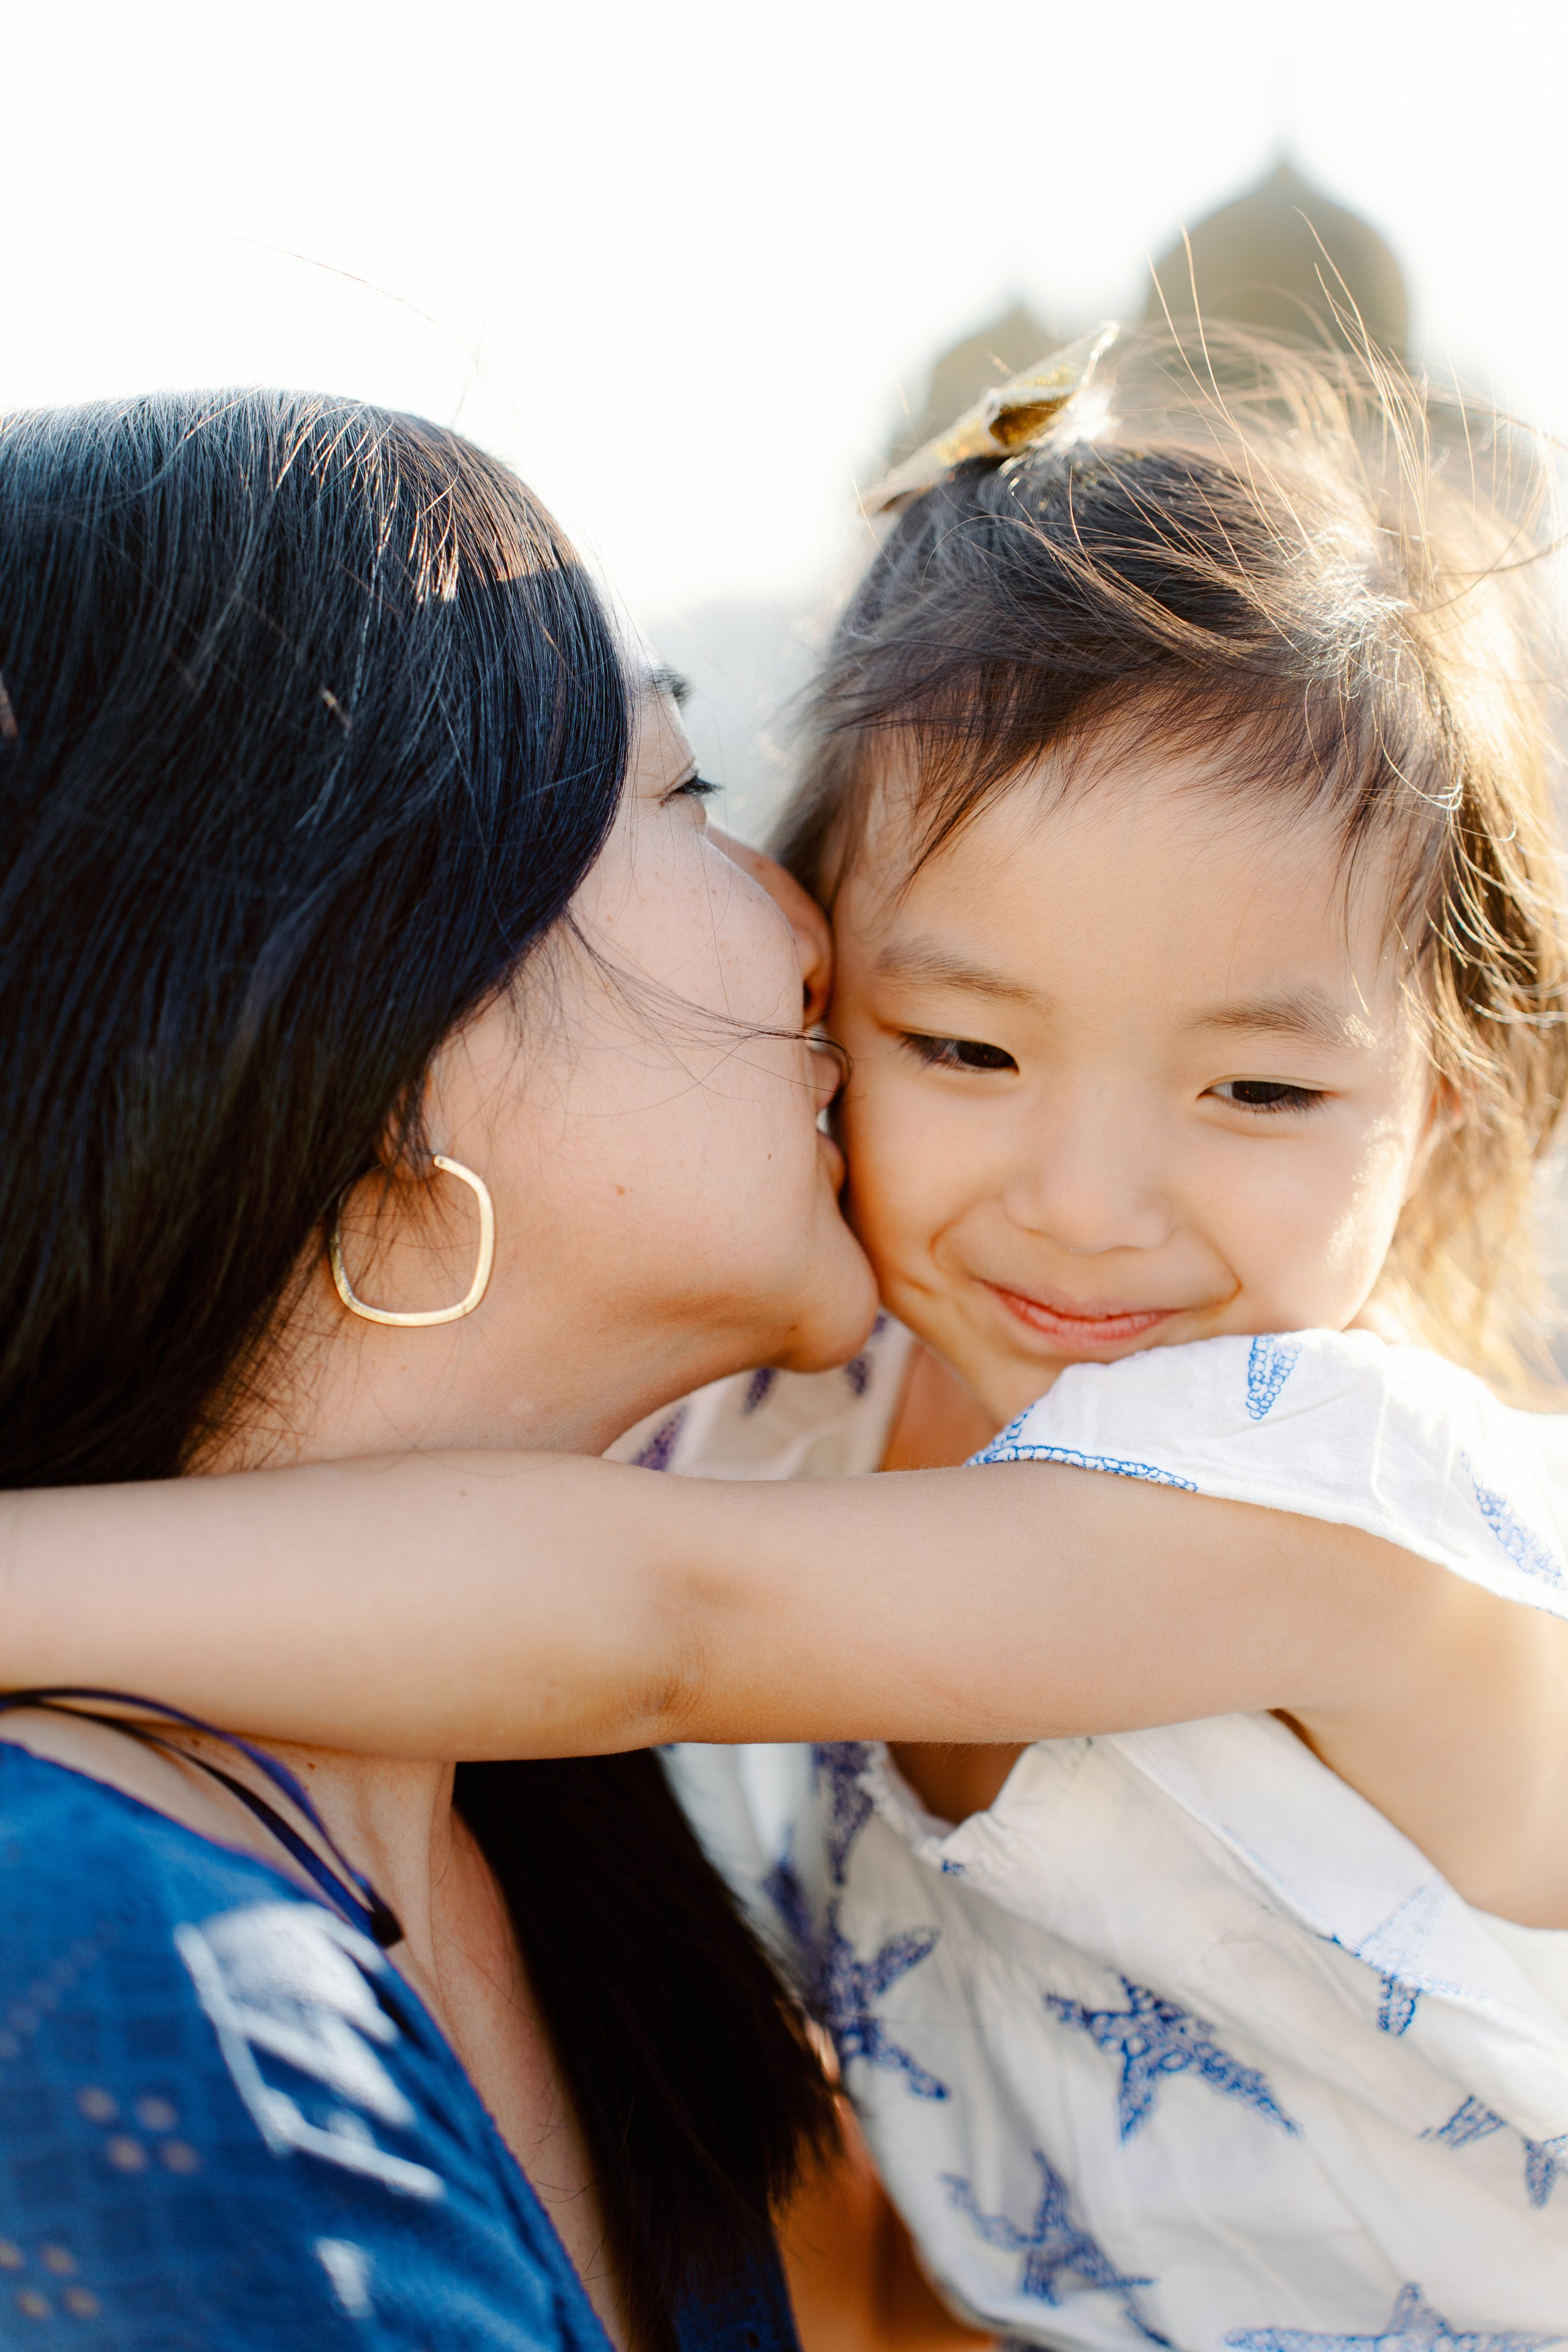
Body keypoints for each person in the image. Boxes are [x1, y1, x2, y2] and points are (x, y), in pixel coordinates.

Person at [7, 330, 1568, 2341]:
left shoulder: (1320, 1482)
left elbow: (666, 1619)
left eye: (1260, 1093)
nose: (1089, 1200)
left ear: (1440, 1097)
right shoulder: (773, 1441)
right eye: (966, 1045)